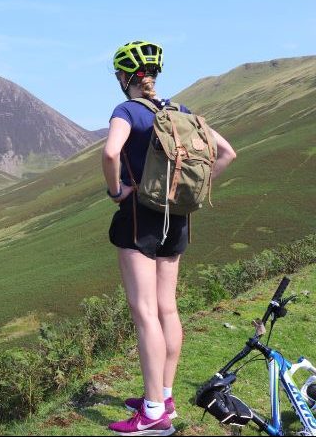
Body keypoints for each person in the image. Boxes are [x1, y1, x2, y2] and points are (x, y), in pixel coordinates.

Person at [102, 41, 237, 436]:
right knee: (167, 309)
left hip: (138, 220)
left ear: (126, 77)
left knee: (144, 312)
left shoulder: (127, 111)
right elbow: (227, 152)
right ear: (154, 76)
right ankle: (163, 396)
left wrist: (117, 192)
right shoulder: (182, 112)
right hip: (176, 219)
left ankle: (154, 414)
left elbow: (111, 154)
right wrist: (187, 192)